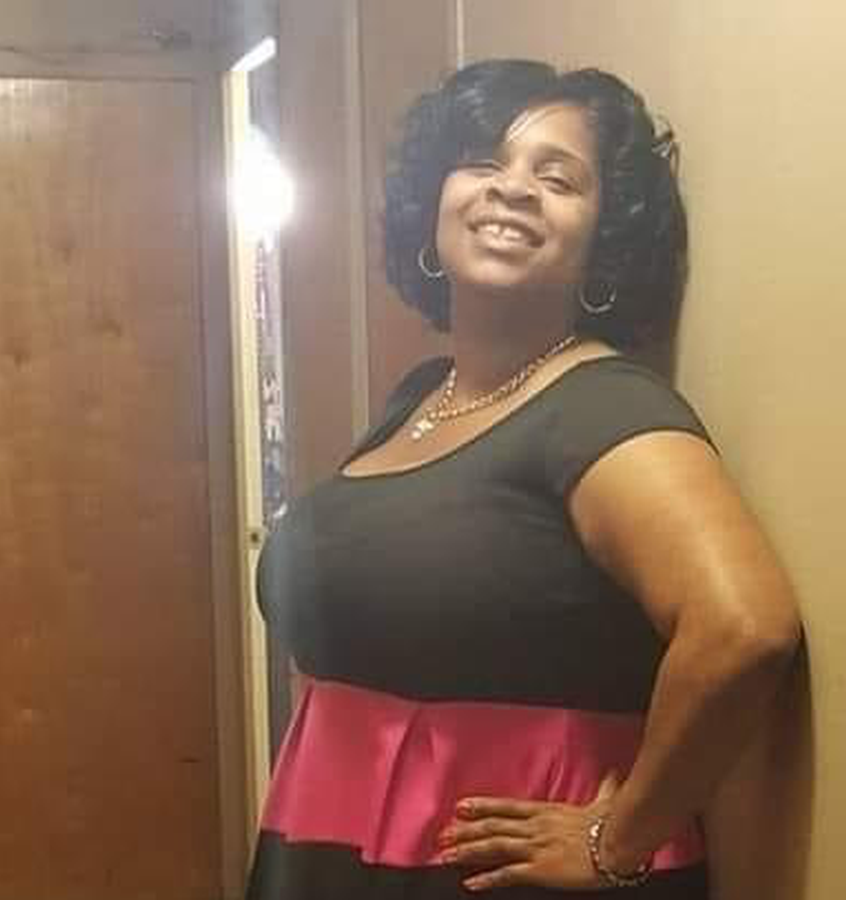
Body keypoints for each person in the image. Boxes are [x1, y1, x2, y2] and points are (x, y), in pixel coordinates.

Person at [245, 59, 802, 898]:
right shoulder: (419, 398)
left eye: (558, 178)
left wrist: (618, 838)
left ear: (604, 242)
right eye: (483, 161)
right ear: (433, 203)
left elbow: (745, 628)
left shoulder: (603, 406)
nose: (513, 189)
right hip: (336, 851)